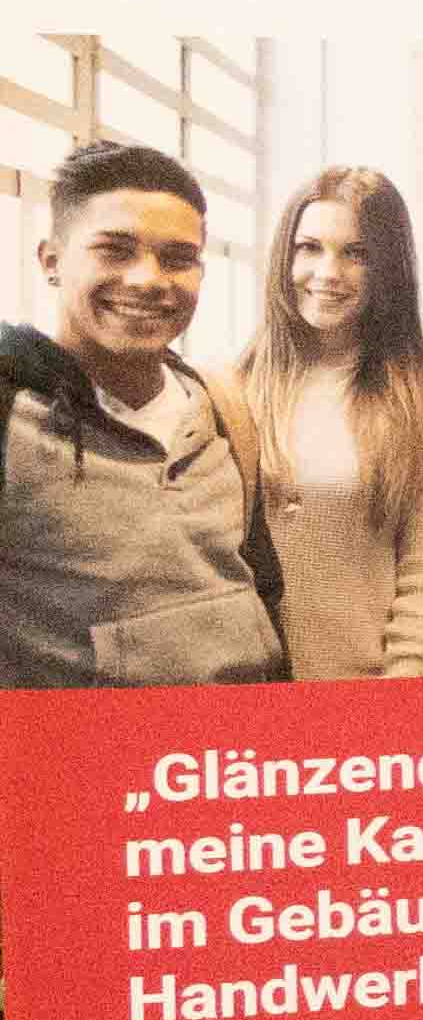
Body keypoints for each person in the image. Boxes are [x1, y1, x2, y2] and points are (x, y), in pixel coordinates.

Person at [0, 142, 279, 690]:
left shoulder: (222, 407)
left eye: (178, 258)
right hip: (84, 762)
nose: (149, 279)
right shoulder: (11, 411)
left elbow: (259, 585)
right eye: (115, 250)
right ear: (51, 261)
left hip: (232, 756)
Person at [232, 166, 423, 682]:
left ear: (388, 270)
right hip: (237, 697)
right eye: (309, 247)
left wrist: (402, 696)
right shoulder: (228, 393)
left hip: (361, 696)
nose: (328, 272)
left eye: (356, 254)